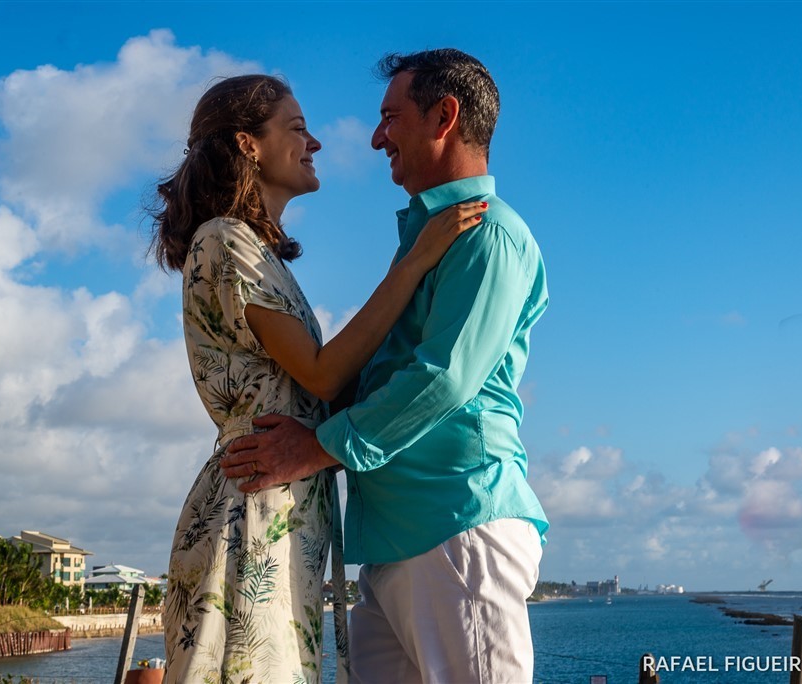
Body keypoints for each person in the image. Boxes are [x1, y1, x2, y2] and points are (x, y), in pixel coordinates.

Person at [223, 49, 549, 684]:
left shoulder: (489, 236)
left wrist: (314, 449)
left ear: (445, 117)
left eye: (390, 117)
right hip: (400, 543)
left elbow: (445, 379)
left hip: (458, 528)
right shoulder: (429, 241)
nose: (376, 139)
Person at [151, 74, 484, 684]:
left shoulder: (257, 250)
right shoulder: (225, 241)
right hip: (252, 506)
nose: (317, 143)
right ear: (249, 144)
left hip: (279, 499)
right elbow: (324, 374)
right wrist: (415, 263)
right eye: (297, 127)